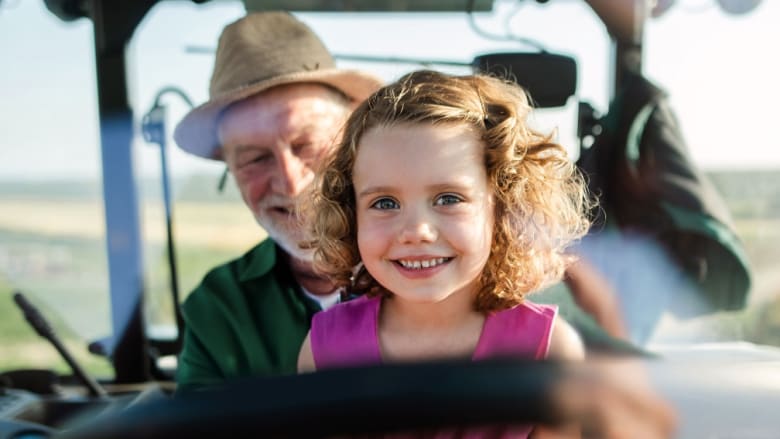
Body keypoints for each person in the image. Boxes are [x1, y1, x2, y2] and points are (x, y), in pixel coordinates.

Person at [296, 70, 591, 437]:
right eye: (385, 202)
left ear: (502, 205)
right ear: (351, 213)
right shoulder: (324, 350)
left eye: (448, 199)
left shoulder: (548, 350)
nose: (417, 231)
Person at [171, 11, 383, 392]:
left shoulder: (429, 267)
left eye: (307, 145)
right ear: (229, 168)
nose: (290, 181)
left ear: (356, 134)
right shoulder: (218, 304)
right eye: (255, 158)